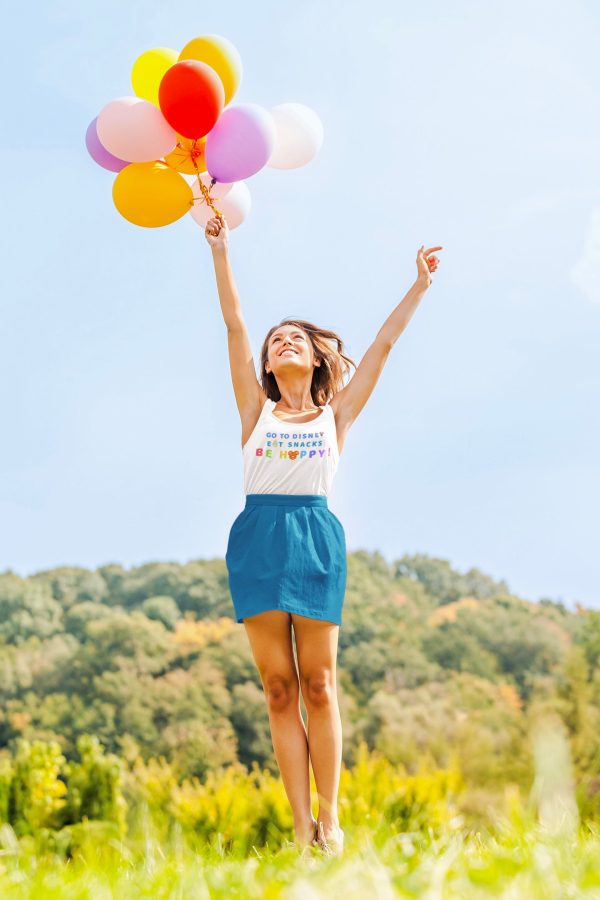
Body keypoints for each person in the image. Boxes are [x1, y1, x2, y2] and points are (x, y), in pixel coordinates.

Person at [205, 212, 442, 856]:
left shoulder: (336, 416)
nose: (280, 342)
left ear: (313, 358)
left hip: (314, 536)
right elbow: (234, 322)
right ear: (266, 363)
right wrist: (220, 247)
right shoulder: (254, 410)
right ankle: (297, 823)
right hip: (257, 536)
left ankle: (331, 821)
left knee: (319, 683)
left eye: (293, 338)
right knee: (279, 688)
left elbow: (383, 348)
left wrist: (417, 285)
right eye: (274, 340)